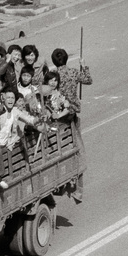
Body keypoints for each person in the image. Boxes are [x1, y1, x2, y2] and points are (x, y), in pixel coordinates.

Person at [51, 48, 91, 203]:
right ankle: (78, 191)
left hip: (57, 119)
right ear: (66, 59)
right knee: (78, 152)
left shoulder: (53, 77)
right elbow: (88, 79)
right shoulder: (74, 72)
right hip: (71, 117)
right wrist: (84, 66)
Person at [0, 89, 39, 189]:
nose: (10, 100)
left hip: (6, 142)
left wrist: (39, 119)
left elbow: (29, 119)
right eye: (8, 98)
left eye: (12, 98)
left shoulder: (15, 111)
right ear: (3, 99)